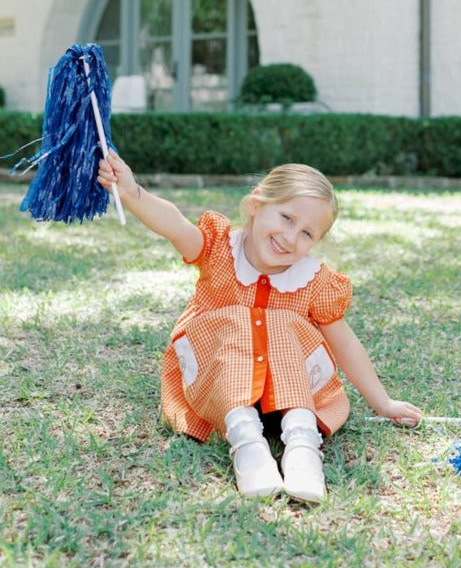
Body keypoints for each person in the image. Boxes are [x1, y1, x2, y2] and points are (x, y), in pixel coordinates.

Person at [98, 153, 422, 503]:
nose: (290, 237)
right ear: (256, 205)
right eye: (286, 218)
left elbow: (346, 345)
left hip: (284, 398)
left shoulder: (312, 280)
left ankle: (302, 445)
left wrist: (383, 402)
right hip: (217, 383)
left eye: (306, 233)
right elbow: (175, 224)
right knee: (241, 319)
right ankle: (247, 444)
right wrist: (131, 192)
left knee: (281, 322)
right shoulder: (220, 250)